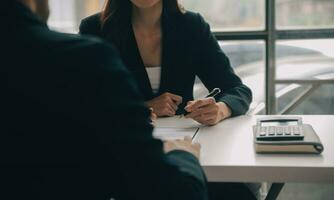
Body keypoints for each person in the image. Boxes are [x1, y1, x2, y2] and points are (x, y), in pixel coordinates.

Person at [0, 0, 208, 199]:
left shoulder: (191, 25)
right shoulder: (84, 57)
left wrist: (222, 107)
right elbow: (174, 194)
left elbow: (232, 85)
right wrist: (184, 156)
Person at [80, 0, 252, 126]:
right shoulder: (95, 29)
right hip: (119, 143)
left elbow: (237, 90)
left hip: (183, 141)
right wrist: (143, 107)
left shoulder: (192, 26)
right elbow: (83, 102)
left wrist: (220, 109)